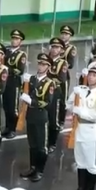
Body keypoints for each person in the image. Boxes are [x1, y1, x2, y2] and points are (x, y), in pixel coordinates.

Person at [66, 61, 96, 190]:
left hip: (91, 131)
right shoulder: (81, 90)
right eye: (90, 74)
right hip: (78, 130)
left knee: (91, 164)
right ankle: (80, 189)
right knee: (80, 162)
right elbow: (68, 105)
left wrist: (81, 112)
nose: (91, 77)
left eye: (95, 75)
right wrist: (73, 98)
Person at [20, 53, 56, 182]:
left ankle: (39, 170)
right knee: (32, 144)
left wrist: (31, 101)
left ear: (48, 67)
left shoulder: (49, 83)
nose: (40, 66)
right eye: (39, 63)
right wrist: (23, 84)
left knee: (41, 146)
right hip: (31, 115)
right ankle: (32, 167)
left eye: (43, 64)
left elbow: (48, 102)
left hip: (41, 116)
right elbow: (23, 92)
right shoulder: (32, 79)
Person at [2, 30, 28, 139]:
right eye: (13, 38)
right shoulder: (6, 52)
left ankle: (12, 129)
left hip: (14, 81)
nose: (14, 40)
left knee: (13, 107)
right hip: (4, 82)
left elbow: (19, 70)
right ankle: (7, 127)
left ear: (20, 42)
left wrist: (7, 69)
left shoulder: (21, 55)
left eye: (17, 39)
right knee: (6, 106)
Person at [47, 38, 70, 154]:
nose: (54, 49)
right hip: (45, 93)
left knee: (53, 119)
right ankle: (46, 140)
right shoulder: (46, 60)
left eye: (57, 47)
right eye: (53, 47)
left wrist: (48, 77)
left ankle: (52, 143)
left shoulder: (62, 63)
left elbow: (61, 79)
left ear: (61, 50)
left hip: (55, 92)